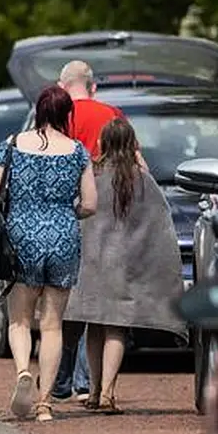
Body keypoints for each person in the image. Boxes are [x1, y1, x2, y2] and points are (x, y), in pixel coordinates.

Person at [0, 85, 97, 422]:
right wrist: (65, 214)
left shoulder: (13, 144)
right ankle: (46, 403)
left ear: (38, 111)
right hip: (63, 235)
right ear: (66, 115)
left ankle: (23, 371)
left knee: (19, 319)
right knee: (52, 325)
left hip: (21, 235)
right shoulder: (77, 151)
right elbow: (91, 204)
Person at [64, 118, 187, 413]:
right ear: (133, 144)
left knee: (93, 326)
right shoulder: (140, 179)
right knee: (116, 329)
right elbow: (158, 223)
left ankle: (92, 392)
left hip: (91, 261)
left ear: (102, 142)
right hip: (124, 264)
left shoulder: (90, 172)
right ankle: (108, 392)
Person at [51, 60, 148, 402]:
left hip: (75, 219)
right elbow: (137, 164)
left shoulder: (57, 116)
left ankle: (67, 381)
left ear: (62, 86)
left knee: (73, 305)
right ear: (92, 86)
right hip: (115, 225)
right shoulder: (112, 113)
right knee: (111, 315)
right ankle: (93, 387)